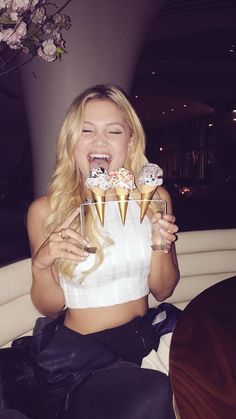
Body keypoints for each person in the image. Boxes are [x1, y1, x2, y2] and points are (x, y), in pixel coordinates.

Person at [27, 84, 180, 419]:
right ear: (71, 142)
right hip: (85, 361)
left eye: (113, 131)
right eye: (86, 130)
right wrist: (42, 264)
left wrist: (159, 242)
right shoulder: (46, 210)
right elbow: (50, 305)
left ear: (130, 143)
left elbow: (164, 289)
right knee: (151, 397)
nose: (99, 141)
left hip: (146, 338)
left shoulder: (154, 199)